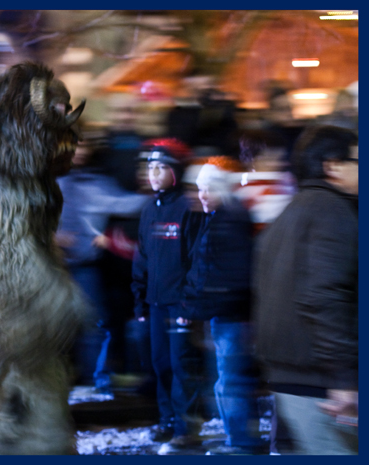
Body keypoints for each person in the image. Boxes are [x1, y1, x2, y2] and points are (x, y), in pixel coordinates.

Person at [253, 125, 358, 455]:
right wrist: (344, 379)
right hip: (322, 383)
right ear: (333, 166)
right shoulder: (332, 211)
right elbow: (323, 296)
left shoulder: (291, 211)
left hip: (296, 375)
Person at [181, 163, 267, 455]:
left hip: (229, 315)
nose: (203, 195)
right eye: (200, 189)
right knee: (230, 381)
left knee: (231, 382)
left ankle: (241, 443)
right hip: (226, 314)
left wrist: (197, 306)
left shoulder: (227, 222)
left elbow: (223, 276)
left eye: (208, 189)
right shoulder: (223, 219)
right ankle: (240, 438)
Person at [56, 134, 148, 394]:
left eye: (83, 146)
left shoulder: (95, 183)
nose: (79, 152)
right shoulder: (46, 182)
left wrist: (153, 194)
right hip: (51, 265)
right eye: (74, 146)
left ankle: (91, 379)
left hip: (86, 265)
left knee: (94, 324)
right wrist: (52, 237)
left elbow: (125, 203)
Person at [131, 138, 204, 451]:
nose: (154, 173)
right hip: (156, 302)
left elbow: (197, 258)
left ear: (176, 171)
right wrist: (140, 298)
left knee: (181, 365)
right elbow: (142, 256)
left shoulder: (188, 207)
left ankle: (186, 426)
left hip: (180, 303)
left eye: (161, 167)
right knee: (160, 364)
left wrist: (189, 300)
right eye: (150, 167)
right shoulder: (149, 209)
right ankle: (167, 420)